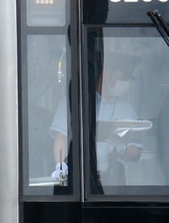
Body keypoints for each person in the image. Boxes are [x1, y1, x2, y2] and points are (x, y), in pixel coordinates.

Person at [51, 54, 143, 184]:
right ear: (106, 75)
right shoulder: (73, 103)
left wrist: (121, 149)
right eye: (124, 77)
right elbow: (61, 138)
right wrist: (60, 166)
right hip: (81, 180)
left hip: (114, 181)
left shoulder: (127, 110)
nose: (126, 82)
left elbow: (136, 153)